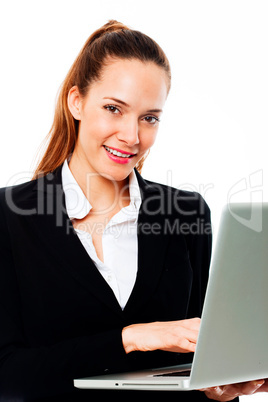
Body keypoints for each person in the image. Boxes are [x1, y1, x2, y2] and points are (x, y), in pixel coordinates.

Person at [0, 20, 266, 402]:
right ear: (76, 101)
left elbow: (203, 358)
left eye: (149, 117)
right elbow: (8, 375)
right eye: (113, 108)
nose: (132, 136)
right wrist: (131, 338)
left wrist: (223, 390)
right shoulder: (10, 217)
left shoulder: (186, 215)